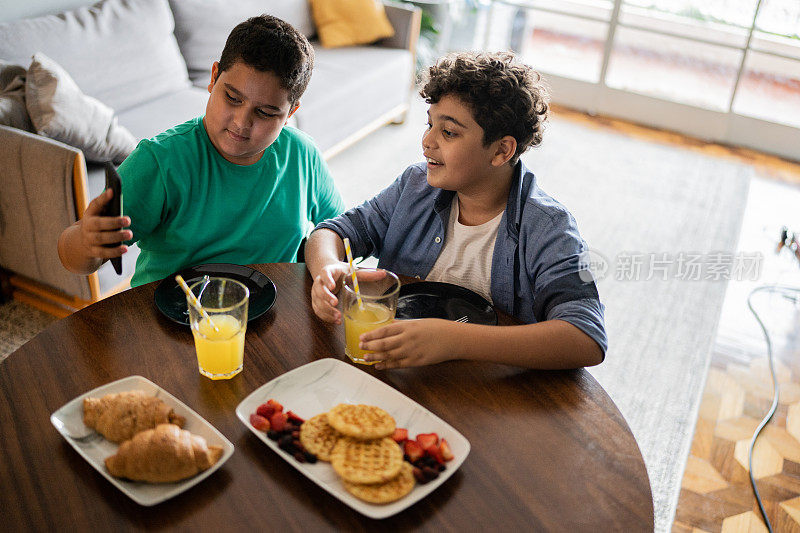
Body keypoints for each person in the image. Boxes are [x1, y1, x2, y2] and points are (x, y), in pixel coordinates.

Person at [305, 51, 606, 370]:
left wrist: (455, 340)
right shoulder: (414, 186)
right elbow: (332, 232)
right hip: (395, 370)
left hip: (490, 393)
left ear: (501, 150)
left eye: (448, 132)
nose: (426, 141)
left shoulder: (549, 227)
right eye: (429, 124)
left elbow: (585, 337)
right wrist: (327, 267)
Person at [58, 15, 345, 286]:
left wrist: (327, 264)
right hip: (176, 320)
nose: (241, 122)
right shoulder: (160, 162)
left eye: (266, 112)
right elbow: (73, 260)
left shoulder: (303, 155)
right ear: (214, 76)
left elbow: (343, 232)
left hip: (275, 311)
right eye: (232, 97)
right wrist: (86, 241)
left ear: (290, 112)